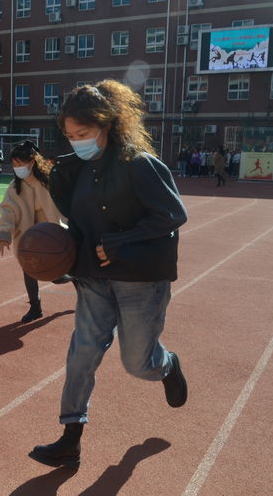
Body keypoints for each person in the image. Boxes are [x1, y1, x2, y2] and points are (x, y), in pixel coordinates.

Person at [28, 80, 188, 468]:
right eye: (69, 135)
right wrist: (59, 259)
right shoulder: (70, 171)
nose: (75, 142)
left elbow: (172, 215)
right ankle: (70, 439)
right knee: (81, 354)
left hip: (140, 279)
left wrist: (121, 240)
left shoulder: (141, 165)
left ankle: (167, 365)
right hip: (93, 279)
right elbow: (78, 225)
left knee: (137, 363)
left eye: (82, 134)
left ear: (108, 125)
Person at [0, 140, 67, 322]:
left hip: (51, 234)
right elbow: (7, 211)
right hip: (27, 237)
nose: (17, 168)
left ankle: (73, 278)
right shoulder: (14, 188)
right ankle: (35, 307)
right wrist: (3, 235)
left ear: (32, 162)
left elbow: (64, 204)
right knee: (29, 269)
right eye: (14, 165)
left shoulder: (49, 181)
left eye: (21, 164)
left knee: (55, 276)